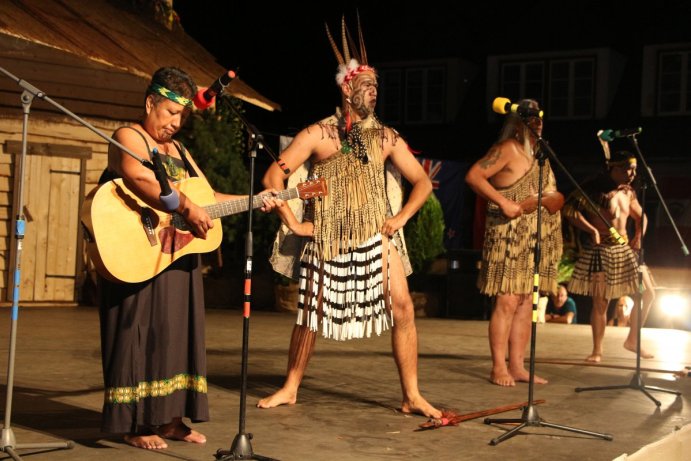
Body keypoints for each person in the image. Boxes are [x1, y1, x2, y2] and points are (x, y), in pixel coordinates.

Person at [256, 17, 441, 419]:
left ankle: (411, 394)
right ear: (347, 88)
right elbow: (274, 176)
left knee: (404, 307)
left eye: (377, 87)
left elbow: (423, 182)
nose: (374, 93)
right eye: (367, 86)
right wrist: (292, 221)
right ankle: (290, 387)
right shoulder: (318, 135)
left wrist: (402, 218)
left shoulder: (386, 137)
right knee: (311, 312)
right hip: (328, 237)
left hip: (376, 235)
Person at [98, 67, 257, 450]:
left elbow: (207, 196)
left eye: (182, 116)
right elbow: (139, 178)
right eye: (170, 112)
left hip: (175, 252)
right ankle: (136, 424)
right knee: (138, 333)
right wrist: (185, 205)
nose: (175, 123)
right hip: (136, 247)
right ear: (150, 102)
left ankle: (169, 419)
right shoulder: (128, 136)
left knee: (175, 335)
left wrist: (256, 201)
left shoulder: (180, 151)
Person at [465, 99, 563, 387]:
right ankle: (498, 367)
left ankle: (518, 366)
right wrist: (503, 202)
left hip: (534, 237)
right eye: (531, 119)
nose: (538, 123)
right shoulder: (507, 149)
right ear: (518, 124)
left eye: (540, 118)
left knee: (524, 301)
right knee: (507, 300)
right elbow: (474, 176)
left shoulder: (539, 154)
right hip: (509, 235)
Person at [564, 148, 655, 362]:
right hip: (602, 252)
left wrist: (639, 236)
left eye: (634, 169)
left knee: (648, 293)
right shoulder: (594, 190)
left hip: (626, 250)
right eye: (627, 169)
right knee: (601, 303)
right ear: (613, 168)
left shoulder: (628, 191)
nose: (632, 174)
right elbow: (569, 211)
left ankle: (633, 340)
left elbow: (641, 216)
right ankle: (597, 350)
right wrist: (592, 230)